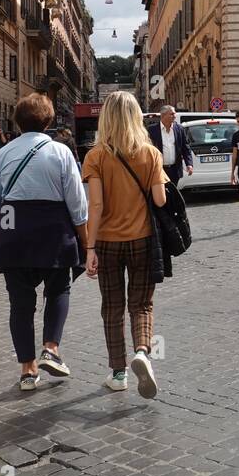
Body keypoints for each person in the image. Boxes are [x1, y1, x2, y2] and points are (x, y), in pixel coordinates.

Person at [0, 94, 90, 392]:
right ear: (49, 121)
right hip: (54, 231)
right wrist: (86, 241)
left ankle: (28, 370)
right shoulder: (61, 153)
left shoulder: (4, 153)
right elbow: (77, 204)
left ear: (17, 121)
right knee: (59, 288)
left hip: (14, 232)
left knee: (20, 304)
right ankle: (51, 347)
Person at [82, 92, 167, 399]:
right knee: (141, 304)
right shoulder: (150, 153)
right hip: (143, 239)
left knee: (113, 307)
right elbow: (160, 200)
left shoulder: (96, 156)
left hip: (106, 241)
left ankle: (118, 373)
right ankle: (142, 352)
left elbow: (95, 204)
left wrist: (89, 249)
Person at [147, 105, 194, 188]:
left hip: (175, 170)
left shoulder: (179, 129)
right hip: (159, 169)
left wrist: (189, 164)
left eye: (174, 114)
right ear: (163, 115)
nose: (174, 116)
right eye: (171, 114)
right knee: (162, 194)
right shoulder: (152, 130)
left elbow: (185, 148)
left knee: (173, 194)